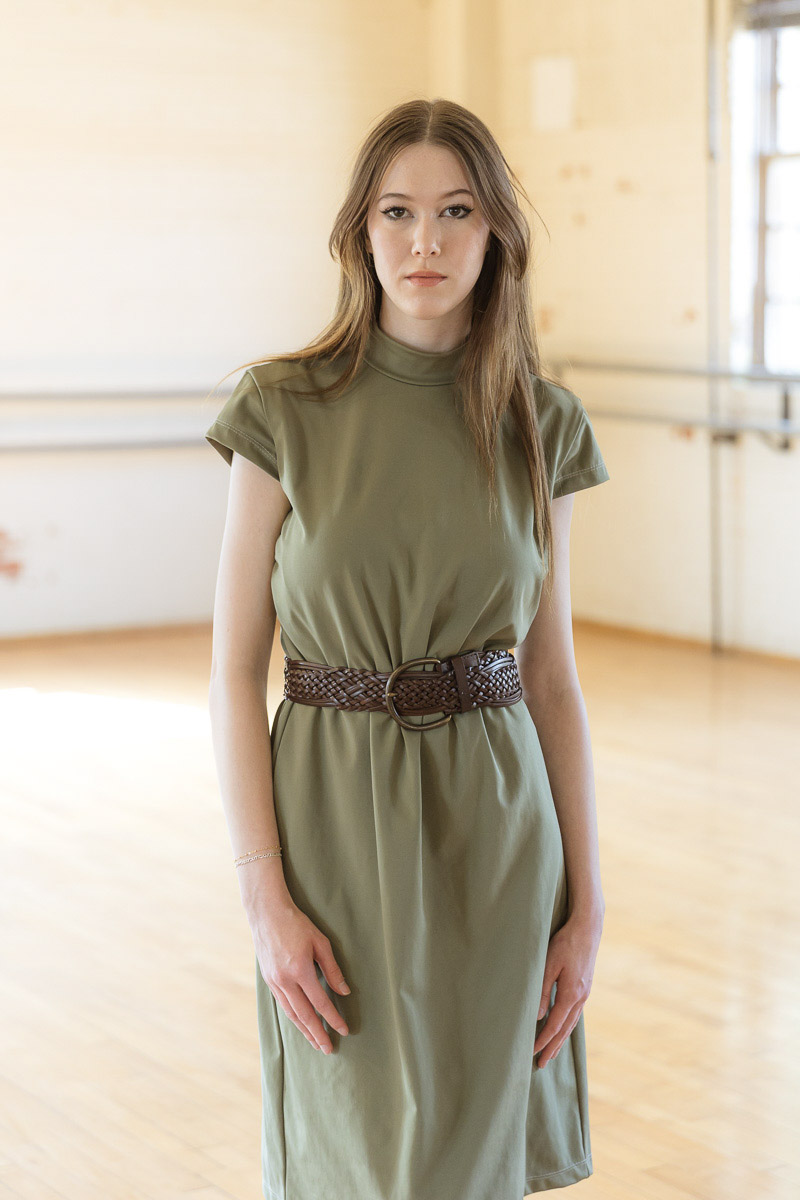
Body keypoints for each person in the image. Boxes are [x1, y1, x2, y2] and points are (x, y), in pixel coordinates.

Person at [205, 97, 610, 1199]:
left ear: (496, 234)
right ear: (360, 231)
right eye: (396, 211)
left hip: (498, 829)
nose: (424, 239)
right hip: (330, 826)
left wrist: (586, 905)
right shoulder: (282, 406)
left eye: (455, 211)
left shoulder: (544, 424)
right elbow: (233, 674)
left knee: (475, 1158)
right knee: (353, 1152)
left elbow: (551, 679)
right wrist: (262, 895)